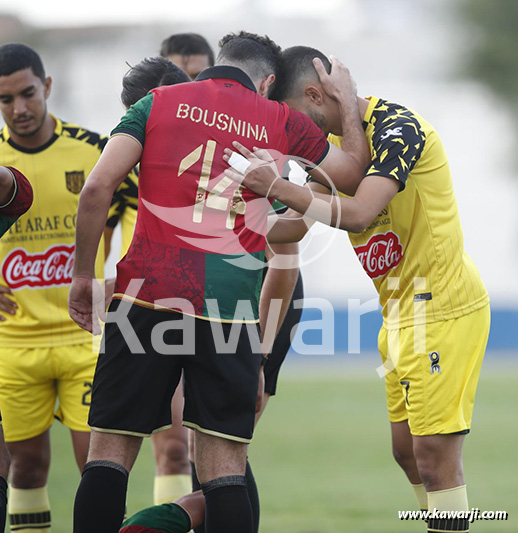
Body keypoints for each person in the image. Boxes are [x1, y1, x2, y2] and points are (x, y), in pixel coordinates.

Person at [69, 31, 368, 533]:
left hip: (144, 296)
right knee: (224, 469)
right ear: (268, 81)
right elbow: (352, 175)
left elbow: (98, 187)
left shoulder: (157, 101)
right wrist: (345, 101)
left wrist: (82, 276)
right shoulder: (280, 119)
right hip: (229, 311)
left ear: (217, 64)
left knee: (109, 454)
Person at [224, 46, 491, 533]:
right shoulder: (333, 149)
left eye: (298, 116)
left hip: (442, 307)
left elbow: (362, 211)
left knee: (434, 458)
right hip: (398, 315)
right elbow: (298, 225)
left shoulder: (398, 127)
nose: (298, 132)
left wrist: (276, 186)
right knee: (407, 455)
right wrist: (224, 225)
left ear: (314, 93)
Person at [0, 43, 136, 533]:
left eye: (28, 93)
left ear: (47, 87)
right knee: (26, 468)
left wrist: (123, 274)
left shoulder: (97, 149)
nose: (19, 109)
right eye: (6, 100)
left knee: (98, 470)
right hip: (13, 342)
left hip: (86, 337)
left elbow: (151, 208)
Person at [0, 165, 33, 532]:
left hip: (77, 338)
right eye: (6, 99)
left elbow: (17, 193)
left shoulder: (88, 146)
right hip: (17, 342)